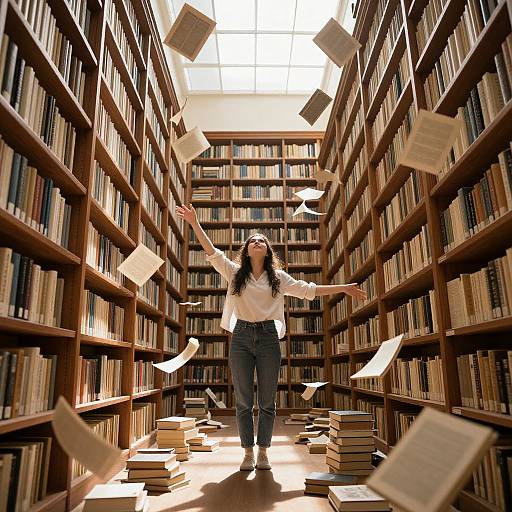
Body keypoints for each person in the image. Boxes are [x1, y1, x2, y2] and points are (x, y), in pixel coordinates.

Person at [176, 204, 367, 472]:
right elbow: (212, 252)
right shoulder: (234, 273)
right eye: (252, 240)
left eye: (261, 240)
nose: (256, 241)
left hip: (268, 338)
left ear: (267, 250)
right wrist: (194, 222)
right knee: (243, 400)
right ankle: (247, 452)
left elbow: (308, 290)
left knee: (267, 401)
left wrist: (344, 288)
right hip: (241, 336)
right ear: (246, 250)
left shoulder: (278, 278)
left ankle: (263, 451)